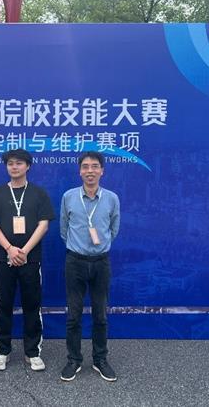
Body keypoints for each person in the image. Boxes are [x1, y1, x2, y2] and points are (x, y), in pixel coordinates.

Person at [0, 148, 55, 371]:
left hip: (30, 260)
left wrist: (24, 251)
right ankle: (2, 351)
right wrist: (10, 249)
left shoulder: (38, 193)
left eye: (19, 163)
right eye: (10, 163)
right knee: (3, 304)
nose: (14, 167)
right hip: (4, 259)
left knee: (32, 305)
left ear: (28, 166)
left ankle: (32, 352)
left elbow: (44, 224)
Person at [59, 151, 120, 382]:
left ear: (102, 170)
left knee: (100, 315)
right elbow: (64, 229)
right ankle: (74, 360)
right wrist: (78, 247)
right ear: (79, 171)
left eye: (95, 166)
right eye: (85, 166)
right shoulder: (69, 197)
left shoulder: (112, 198)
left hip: (101, 263)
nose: (90, 171)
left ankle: (100, 359)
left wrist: (100, 246)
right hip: (75, 261)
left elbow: (114, 229)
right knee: (73, 315)